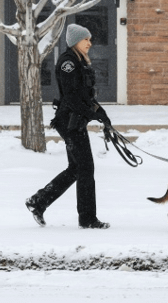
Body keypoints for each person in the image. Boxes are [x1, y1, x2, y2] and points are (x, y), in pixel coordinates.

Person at [25, 23, 112, 229]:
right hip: (70, 123)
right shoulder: (68, 63)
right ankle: (87, 218)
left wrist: (102, 115)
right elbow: (72, 97)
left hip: (76, 121)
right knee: (85, 169)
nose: (90, 43)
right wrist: (93, 114)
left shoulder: (79, 62)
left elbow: (85, 95)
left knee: (76, 169)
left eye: (90, 39)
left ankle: (39, 201)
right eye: (86, 40)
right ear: (75, 41)